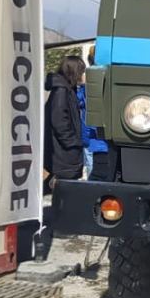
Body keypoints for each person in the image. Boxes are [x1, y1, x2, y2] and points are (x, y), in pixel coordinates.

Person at [44, 53, 86, 193]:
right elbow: (59, 121)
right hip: (64, 152)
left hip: (65, 150)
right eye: (81, 72)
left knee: (65, 188)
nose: (83, 75)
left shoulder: (68, 89)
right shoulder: (61, 91)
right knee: (64, 188)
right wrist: (73, 143)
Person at [80, 45, 109, 178]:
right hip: (103, 142)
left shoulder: (86, 88)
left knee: (94, 176)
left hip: (94, 141)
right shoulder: (108, 81)